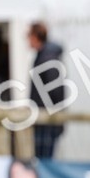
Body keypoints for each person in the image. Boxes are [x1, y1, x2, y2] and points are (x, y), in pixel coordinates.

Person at [28, 22, 66, 159]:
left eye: (28, 36)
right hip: (44, 118)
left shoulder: (47, 58)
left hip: (47, 120)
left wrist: (54, 116)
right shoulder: (42, 56)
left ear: (35, 36)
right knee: (42, 159)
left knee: (44, 160)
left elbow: (56, 91)